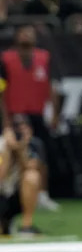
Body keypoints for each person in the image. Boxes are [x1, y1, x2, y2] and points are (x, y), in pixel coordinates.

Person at [0, 24, 61, 212]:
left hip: (37, 113)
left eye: (30, 34)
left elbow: (52, 87)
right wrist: (5, 120)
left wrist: (54, 113)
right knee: (9, 156)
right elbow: (1, 91)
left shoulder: (44, 58)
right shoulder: (5, 59)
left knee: (40, 155)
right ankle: (7, 192)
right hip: (14, 114)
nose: (26, 37)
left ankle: (41, 194)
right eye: (23, 33)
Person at [0, 114, 42, 236]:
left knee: (32, 176)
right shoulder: (1, 145)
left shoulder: (33, 144)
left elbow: (32, 166)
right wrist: (7, 152)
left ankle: (26, 225)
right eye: (17, 128)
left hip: (15, 196)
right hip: (1, 194)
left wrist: (21, 150)